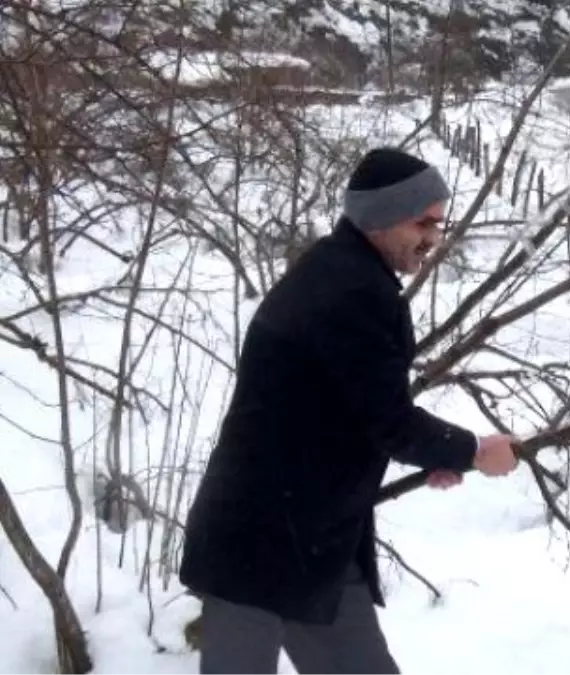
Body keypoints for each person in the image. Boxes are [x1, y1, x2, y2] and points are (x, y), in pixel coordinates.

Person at [179, 147, 519, 674]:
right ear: (380, 218)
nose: (434, 237)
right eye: (423, 222)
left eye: (439, 223)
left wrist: (427, 456)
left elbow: (339, 409)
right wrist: (473, 451)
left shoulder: (343, 272)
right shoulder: (349, 291)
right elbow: (388, 419)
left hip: (315, 541)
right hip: (257, 539)